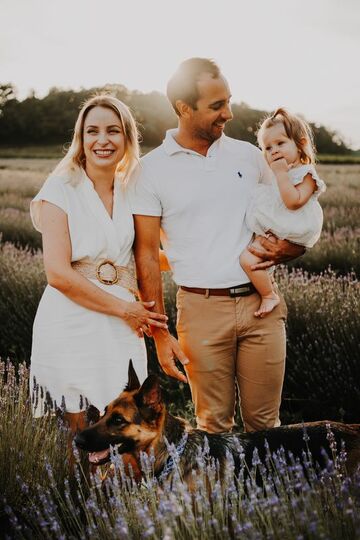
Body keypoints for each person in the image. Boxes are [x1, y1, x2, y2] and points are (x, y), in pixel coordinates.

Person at [130, 58, 304, 434]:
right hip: (200, 309)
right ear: (183, 108)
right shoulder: (150, 170)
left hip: (262, 308)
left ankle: (267, 494)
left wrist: (295, 249)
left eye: (228, 100)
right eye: (217, 106)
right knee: (212, 429)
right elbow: (144, 253)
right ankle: (219, 496)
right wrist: (160, 334)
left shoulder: (250, 156)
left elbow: (290, 210)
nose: (230, 112)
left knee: (266, 427)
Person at [30, 95, 168, 433]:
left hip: (121, 322)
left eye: (113, 131)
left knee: (122, 421)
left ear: (127, 138)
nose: (102, 140)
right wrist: (125, 311)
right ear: (81, 138)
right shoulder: (60, 188)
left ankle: (116, 488)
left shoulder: (133, 189)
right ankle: (78, 488)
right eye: (92, 131)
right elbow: (58, 274)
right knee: (77, 428)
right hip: (71, 317)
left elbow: (147, 254)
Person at [240, 108, 326, 318]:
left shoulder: (306, 174)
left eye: (280, 143)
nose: (274, 151)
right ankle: (267, 288)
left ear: (301, 144)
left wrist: (280, 174)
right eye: (268, 147)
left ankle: (269, 295)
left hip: (294, 225)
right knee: (251, 258)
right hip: (279, 224)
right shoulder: (278, 172)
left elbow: (293, 202)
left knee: (247, 260)